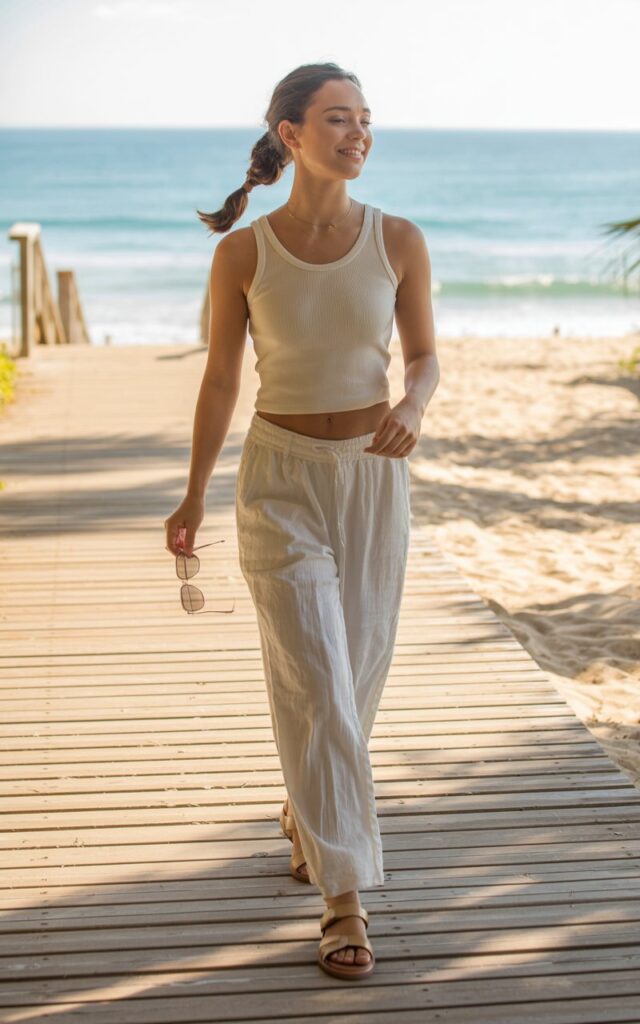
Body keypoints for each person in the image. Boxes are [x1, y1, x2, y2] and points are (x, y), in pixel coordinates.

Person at [164, 61, 439, 981]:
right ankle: (343, 897)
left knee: (355, 675)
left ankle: (306, 810)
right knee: (317, 677)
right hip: (278, 477)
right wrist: (195, 492)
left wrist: (414, 403)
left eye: (365, 120)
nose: (358, 134)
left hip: (372, 479)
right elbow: (218, 381)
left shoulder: (398, 239)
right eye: (336, 119)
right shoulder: (243, 253)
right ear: (290, 133)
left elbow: (428, 358)